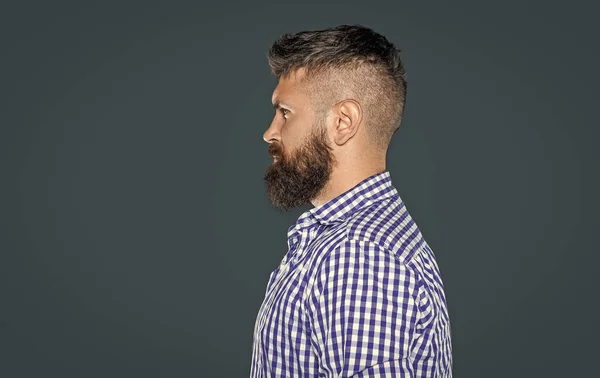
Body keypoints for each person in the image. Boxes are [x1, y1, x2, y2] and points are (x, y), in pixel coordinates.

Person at [252, 24, 452, 378]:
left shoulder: (359, 255)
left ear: (343, 121)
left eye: (285, 112)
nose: (270, 131)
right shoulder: (350, 242)